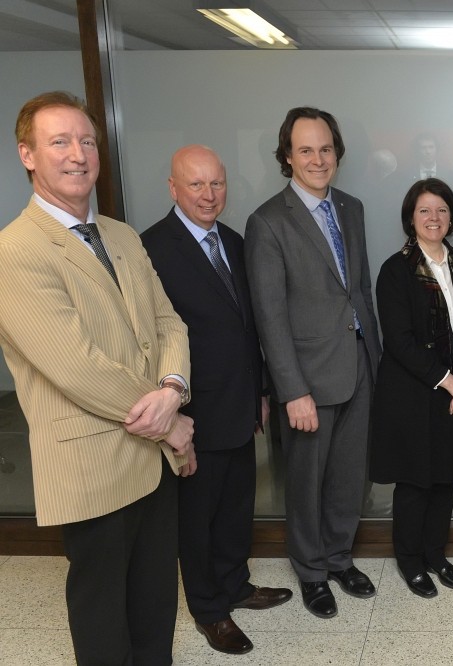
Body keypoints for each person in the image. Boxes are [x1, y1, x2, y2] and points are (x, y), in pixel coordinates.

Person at [0, 91, 193, 665]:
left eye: (87, 141)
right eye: (59, 141)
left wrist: (175, 388)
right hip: (90, 466)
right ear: (27, 155)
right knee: (104, 616)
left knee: (156, 605)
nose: (78, 154)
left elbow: (168, 322)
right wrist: (169, 423)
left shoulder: (122, 236)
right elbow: (76, 365)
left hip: (151, 464)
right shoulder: (15, 252)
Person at [141, 145, 292, 655]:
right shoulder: (153, 249)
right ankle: (209, 609)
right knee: (198, 518)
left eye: (217, 184)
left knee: (235, 507)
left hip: (241, 404)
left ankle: (235, 585)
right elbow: (151, 342)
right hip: (192, 415)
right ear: (173, 188)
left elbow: (251, 328)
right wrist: (173, 421)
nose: (209, 195)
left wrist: (262, 393)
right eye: (197, 185)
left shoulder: (233, 239)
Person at [245, 107, 381, 619]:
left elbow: (359, 290)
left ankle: (339, 557)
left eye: (325, 149)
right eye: (305, 150)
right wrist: (291, 389)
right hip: (306, 380)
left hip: (359, 367)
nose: (317, 159)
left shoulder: (352, 207)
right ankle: (311, 571)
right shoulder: (268, 222)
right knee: (306, 481)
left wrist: (376, 358)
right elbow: (270, 317)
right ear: (287, 156)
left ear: (337, 154)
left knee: (350, 475)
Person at [370, 178, 453, 598]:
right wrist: (452, 383)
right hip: (413, 393)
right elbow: (399, 342)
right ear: (410, 218)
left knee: (446, 477)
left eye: (441, 210)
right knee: (415, 480)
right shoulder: (395, 270)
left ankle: (436, 555)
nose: (433, 218)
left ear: (451, 217)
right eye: (424, 210)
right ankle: (410, 561)